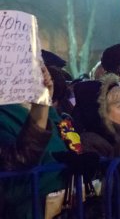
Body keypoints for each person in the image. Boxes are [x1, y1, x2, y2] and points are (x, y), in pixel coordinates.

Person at [0, 66, 68, 218]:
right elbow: (20, 159)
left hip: (61, 205)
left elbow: (64, 140)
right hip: (30, 209)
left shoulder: (42, 109)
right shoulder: (5, 114)